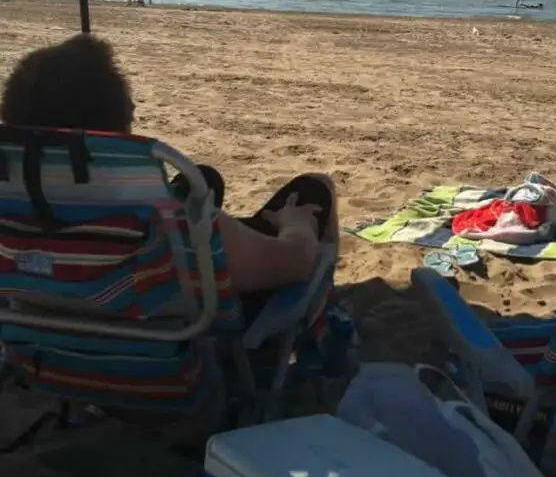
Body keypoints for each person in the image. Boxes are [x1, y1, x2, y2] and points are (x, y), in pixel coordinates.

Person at [0, 35, 337, 300]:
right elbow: (295, 261)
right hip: (162, 357)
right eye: (129, 107)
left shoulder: (9, 208)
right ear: (115, 124)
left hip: (43, 356)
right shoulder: (162, 218)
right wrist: (295, 226)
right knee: (316, 189)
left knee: (203, 179)